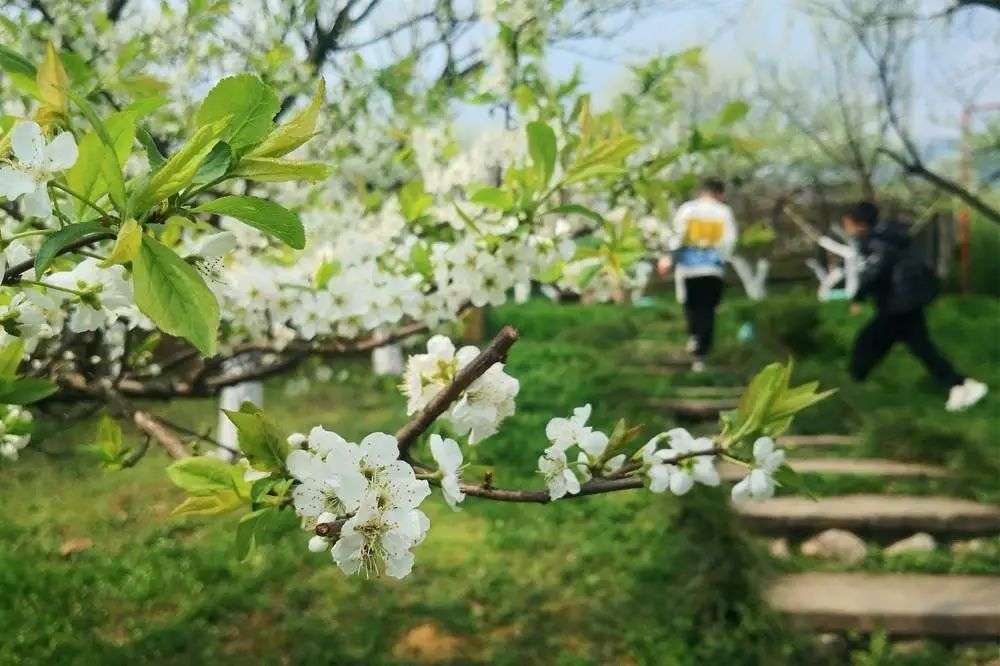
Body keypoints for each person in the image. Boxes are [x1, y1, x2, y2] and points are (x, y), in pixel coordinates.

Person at [843, 201, 987, 411]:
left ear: (860, 224)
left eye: (847, 224)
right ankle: (960, 384)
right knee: (917, 347)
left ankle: (851, 386)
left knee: (868, 342)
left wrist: (858, 297)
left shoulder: (876, 242)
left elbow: (877, 271)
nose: (847, 229)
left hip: (898, 304)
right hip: (906, 301)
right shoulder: (889, 236)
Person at [657, 178, 737, 372]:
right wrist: (721, 258)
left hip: (689, 269)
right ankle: (701, 354)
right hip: (713, 270)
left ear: (702, 191)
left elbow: (677, 237)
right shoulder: (724, 212)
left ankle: (695, 339)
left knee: (691, 307)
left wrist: (670, 259)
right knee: (708, 310)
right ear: (720, 193)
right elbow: (729, 241)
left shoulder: (687, 209)